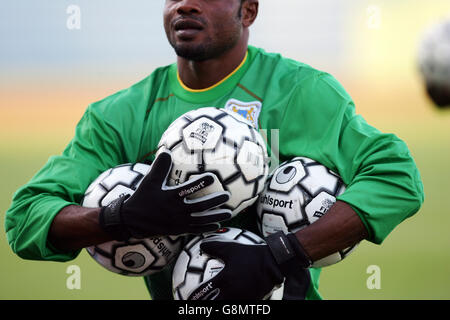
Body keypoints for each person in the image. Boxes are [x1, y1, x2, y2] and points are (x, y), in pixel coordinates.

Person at [5, 0, 424, 300]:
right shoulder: (119, 115)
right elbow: (26, 218)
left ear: (248, 11)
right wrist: (119, 217)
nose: (185, 5)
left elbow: (396, 178)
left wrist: (281, 255)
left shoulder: (301, 91)